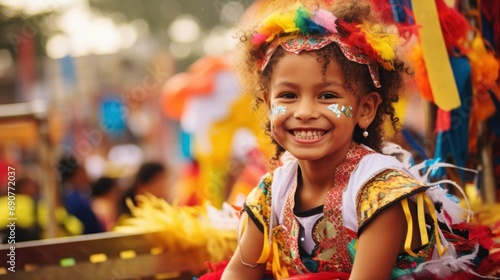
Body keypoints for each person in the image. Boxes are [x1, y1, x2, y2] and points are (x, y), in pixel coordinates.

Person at [219, 1, 499, 279]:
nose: (304, 113)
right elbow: (240, 270)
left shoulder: (382, 191)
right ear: (268, 106)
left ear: (364, 109)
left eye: (327, 96)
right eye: (288, 96)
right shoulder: (272, 191)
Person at [58, 155, 104, 234]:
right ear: (78, 173)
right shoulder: (77, 202)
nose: (86, 173)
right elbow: (95, 230)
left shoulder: (65, 195)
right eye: (83, 169)